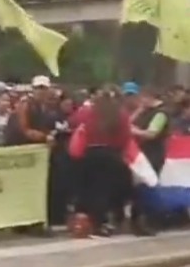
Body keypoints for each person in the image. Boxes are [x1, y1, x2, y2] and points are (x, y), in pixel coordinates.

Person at [70, 86, 132, 237]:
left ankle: (88, 221)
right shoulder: (120, 114)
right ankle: (103, 221)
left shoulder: (88, 112)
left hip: (89, 154)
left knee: (89, 190)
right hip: (111, 154)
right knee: (105, 190)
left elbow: (73, 122)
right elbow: (126, 136)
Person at [129, 85, 169, 236]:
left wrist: (134, 131)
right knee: (138, 188)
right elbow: (128, 122)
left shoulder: (161, 114)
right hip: (141, 154)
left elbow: (152, 133)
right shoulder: (145, 112)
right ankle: (137, 220)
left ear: (150, 97)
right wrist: (139, 111)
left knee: (147, 187)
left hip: (153, 154)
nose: (140, 101)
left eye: (142, 98)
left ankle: (147, 220)